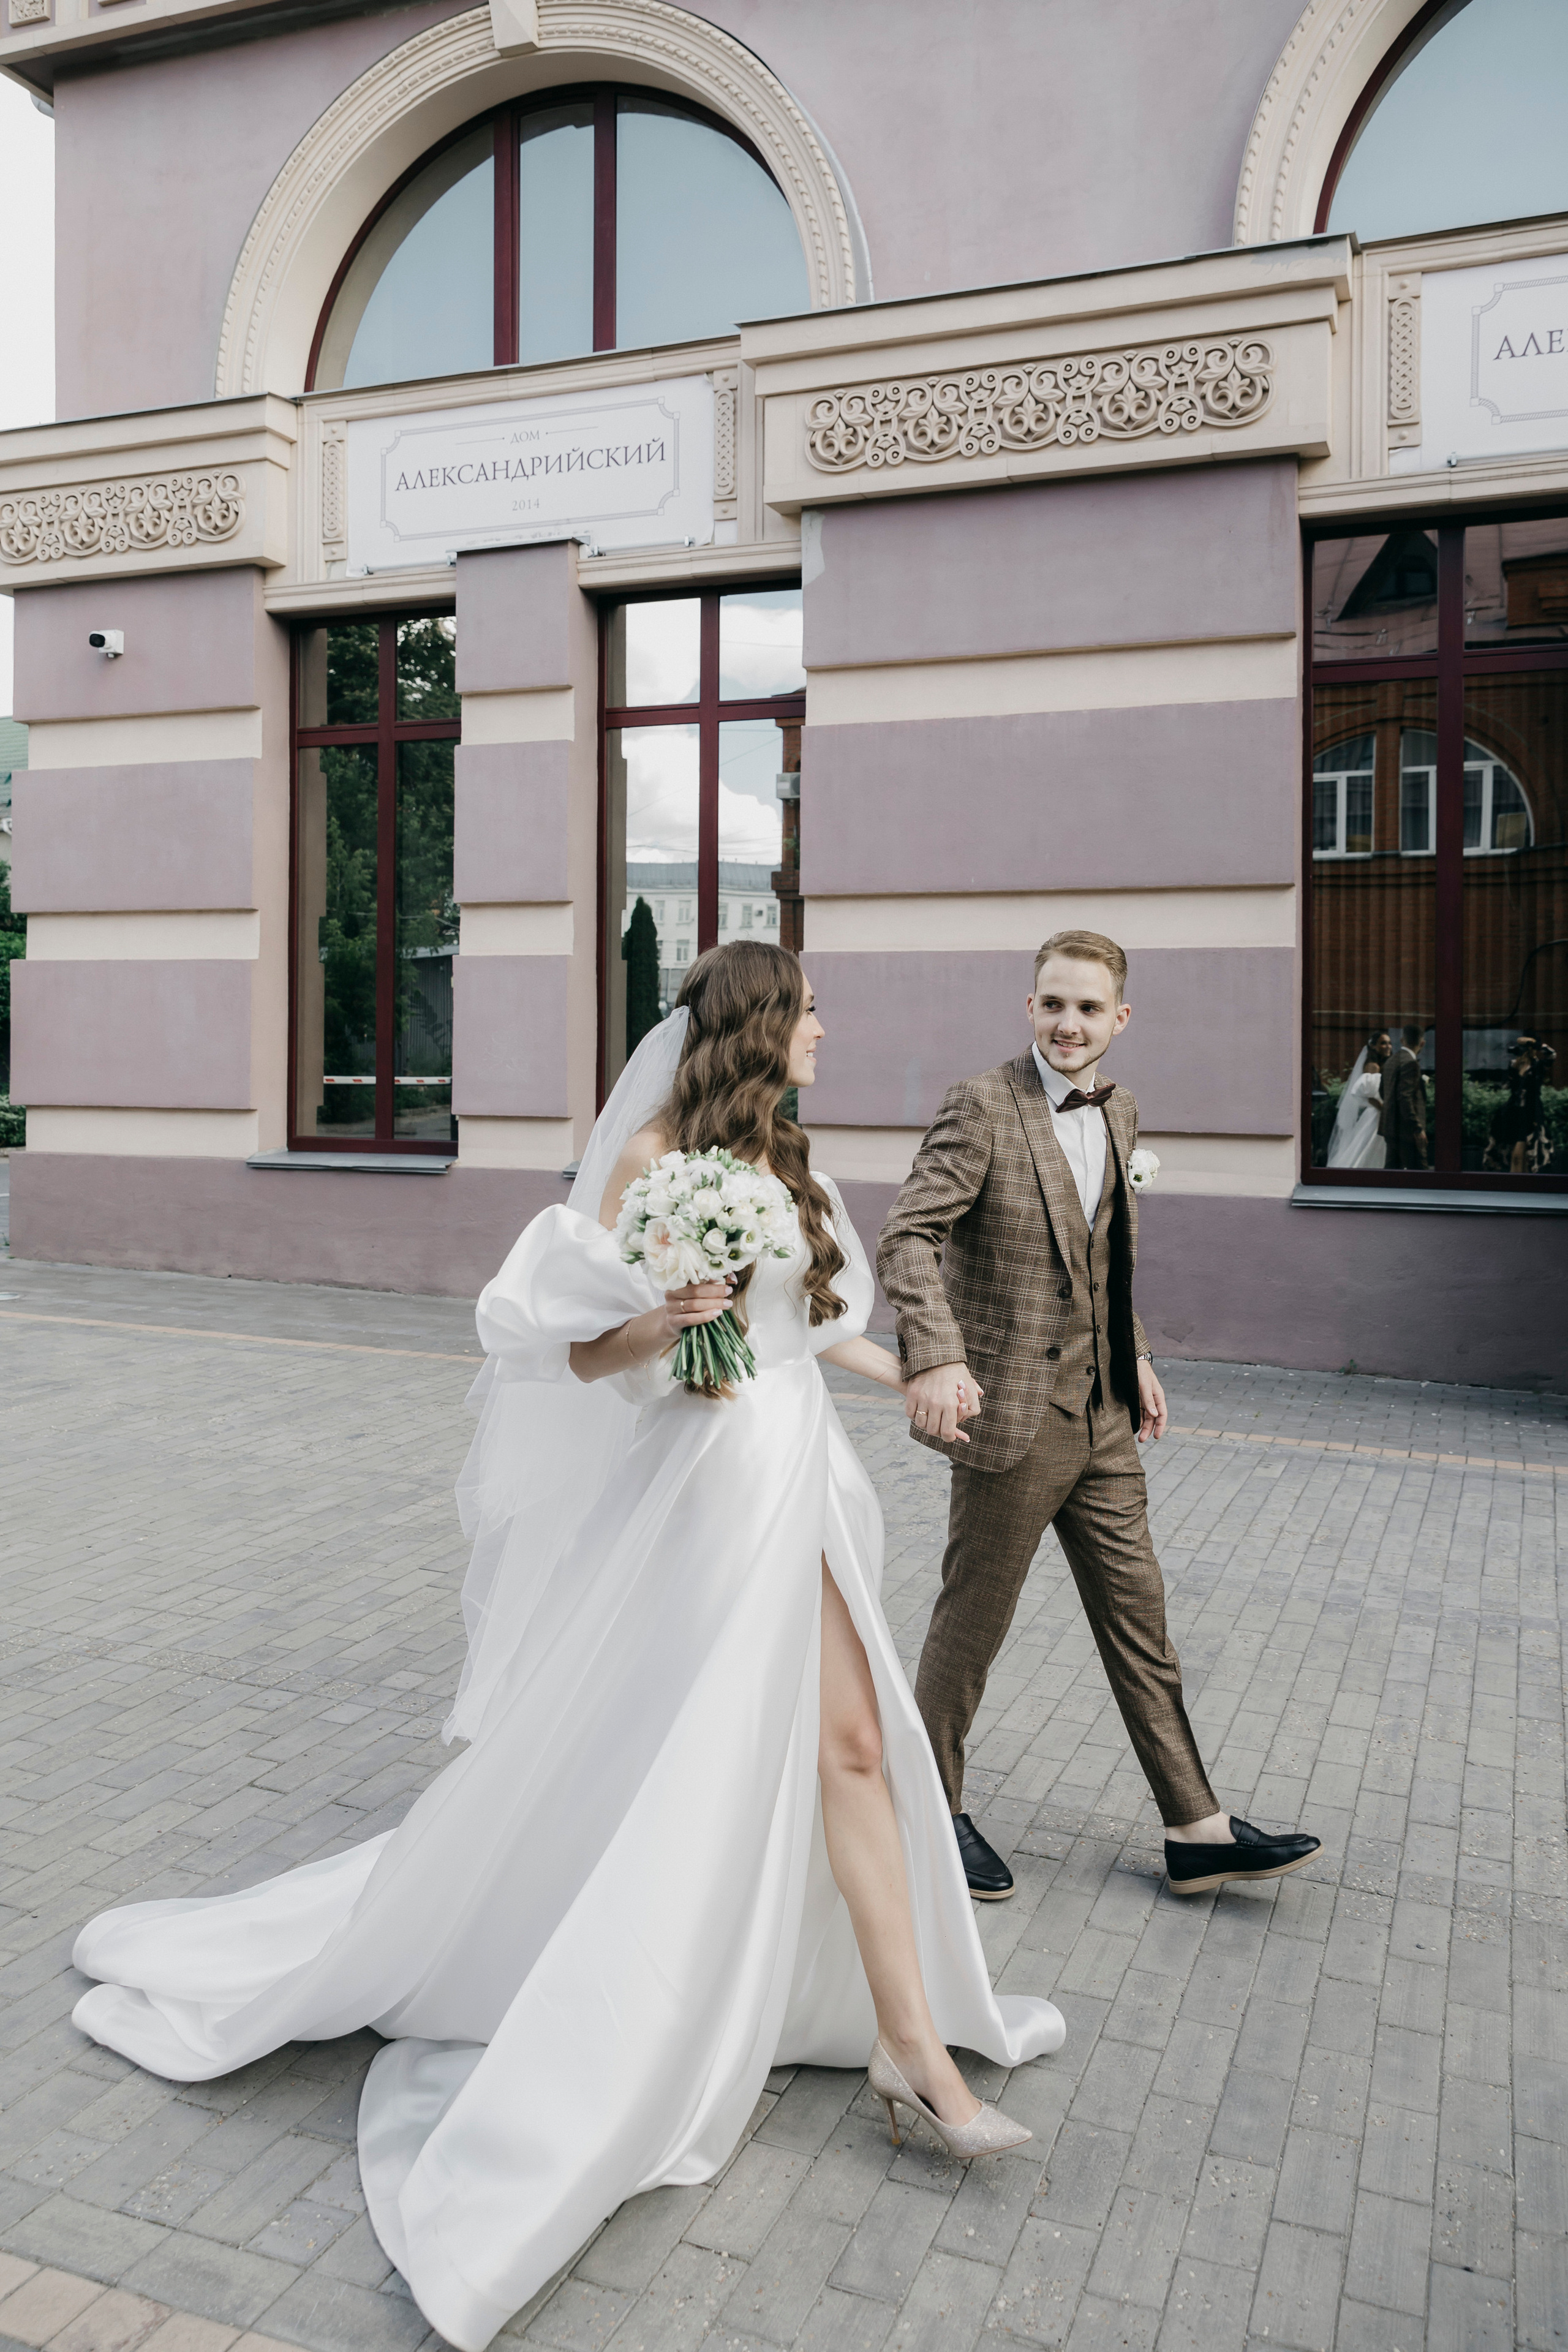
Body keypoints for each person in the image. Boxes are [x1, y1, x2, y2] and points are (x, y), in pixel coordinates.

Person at [69, 942, 1061, 2352]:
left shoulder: (788, 1157)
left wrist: (931, 1375)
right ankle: (786, 2028)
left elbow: (821, 1328)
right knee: (691, 1756)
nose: (827, 1030)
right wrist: (666, 1318)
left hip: (798, 1478)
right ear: (755, 1026)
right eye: (810, 1010)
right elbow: (577, 1354)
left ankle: (911, 2053)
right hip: (702, 1496)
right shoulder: (653, 1158)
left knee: (850, 1742)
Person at [876, 929, 1321, 1903]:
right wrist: (939, 1354)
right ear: (1027, 1009)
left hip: (1103, 1415)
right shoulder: (983, 1105)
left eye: (1087, 1008)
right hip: (1013, 1416)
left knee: (1140, 1621)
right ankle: (927, 1808)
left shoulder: (1119, 1111)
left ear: (1120, 1018)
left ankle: (1196, 1828)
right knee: (972, 1626)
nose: (1067, 1024)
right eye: (1051, 1004)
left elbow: (1106, 1254)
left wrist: (1142, 1356)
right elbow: (908, 1236)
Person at [1483, 1033, 1557, 1173]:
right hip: (1515, 1110)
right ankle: (1514, 1181)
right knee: (1514, 1151)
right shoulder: (1514, 1065)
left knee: (1528, 1151)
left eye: (1524, 1049)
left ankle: (1525, 1182)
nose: (1521, 1052)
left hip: (1531, 1111)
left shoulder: (1537, 1066)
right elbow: (1509, 1085)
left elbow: (1552, 1056)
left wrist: (1537, 1045)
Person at [1325, 1033, 1390, 1168]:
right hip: (1376, 1116)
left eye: (1389, 1043)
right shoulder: (1373, 1066)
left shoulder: (1378, 1065)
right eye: (1383, 1043)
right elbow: (1367, 1094)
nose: (1388, 1046)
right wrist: (1383, 1109)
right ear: (1374, 1046)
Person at [1379, 1023, 1430, 1169]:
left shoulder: (1391, 1061)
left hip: (1390, 1128)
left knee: (1392, 1173)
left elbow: (1383, 1092)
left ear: (1402, 1040)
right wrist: (1417, 1128)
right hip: (1407, 1131)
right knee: (1420, 1172)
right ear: (1422, 1043)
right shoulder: (1410, 1063)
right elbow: (1405, 1098)